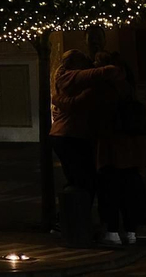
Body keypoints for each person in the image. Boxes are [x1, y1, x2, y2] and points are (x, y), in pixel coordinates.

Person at [50, 49, 118, 218]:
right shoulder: (72, 76)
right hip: (70, 134)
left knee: (80, 179)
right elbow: (106, 72)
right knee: (82, 179)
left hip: (69, 134)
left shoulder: (68, 78)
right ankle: (71, 219)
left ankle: (72, 219)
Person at [95, 52, 146, 246]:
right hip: (132, 147)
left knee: (110, 190)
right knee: (130, 191)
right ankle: (132, 231)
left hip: (112, 145)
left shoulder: (105, 87)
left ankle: (112, 231)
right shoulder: (127, 85)